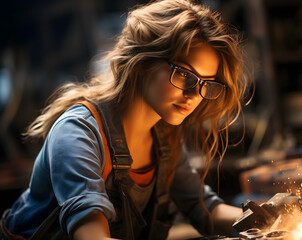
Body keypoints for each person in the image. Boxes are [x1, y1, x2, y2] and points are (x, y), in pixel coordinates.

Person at [1, 0, 250, 239]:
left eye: (206, 83)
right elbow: (93, 238)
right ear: (142, 62)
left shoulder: (165, 137)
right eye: (185, 74)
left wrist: (269, 216)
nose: (195, 94)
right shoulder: (79, 134)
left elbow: (205, 209)